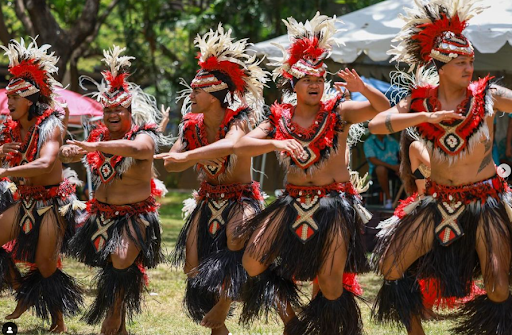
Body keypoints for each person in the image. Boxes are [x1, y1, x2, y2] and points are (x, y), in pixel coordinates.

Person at [233, 12, 389, 334]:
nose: (315, 84)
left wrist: (362, 88)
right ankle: (293, 323)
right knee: (253, 261)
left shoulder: (339, 112)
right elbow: (242, 146)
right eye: (307, 79)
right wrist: (278, 141)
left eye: (319, 79)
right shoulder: (280, 118)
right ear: (294, 83)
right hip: (291, 202)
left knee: (331, 285)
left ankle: (332, 328)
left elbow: (381, 108)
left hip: (333, 202)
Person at [369, 1, 512, 334]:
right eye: (460, 62)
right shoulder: (420, 102)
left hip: (485, 202)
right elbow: (377, 123)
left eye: (470, 61)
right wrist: (424, 118)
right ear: (441, 66)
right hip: (437, 202)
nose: (468, 68)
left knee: (498, 288)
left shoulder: (487, 95)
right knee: (391, 265)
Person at [154, 25, 268, 335]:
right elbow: (174, 162)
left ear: (215, 95)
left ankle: (226, 304)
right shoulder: (191, 124)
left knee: (235, 239)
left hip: (242, 198)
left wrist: (191, 157)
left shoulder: (240, 118)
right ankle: (220, 329)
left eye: (195, 91)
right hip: (207, 199)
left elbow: (231, 145)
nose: (189, 96)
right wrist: (178, 156)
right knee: (193, 268)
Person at [60, 46, 168, 335]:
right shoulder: (97, 137)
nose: (112, 114)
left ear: (130, 111)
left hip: (134, 216)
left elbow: (139, 149)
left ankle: (115, 314)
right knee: (113, 267)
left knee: (121, 260)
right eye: (107, 109)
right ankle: (119, 327)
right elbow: (71, 153)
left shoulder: (144, 135)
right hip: (101, 216)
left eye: (119, 108)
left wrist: (97, 146)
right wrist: (67, 149)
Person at [0, 38, 83, 333]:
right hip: (24, 201)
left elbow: (46, 163)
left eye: (14, 99)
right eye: (7, 98)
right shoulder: (8, 128)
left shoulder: (52, 125)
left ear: (31, 100)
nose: (8, 104)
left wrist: (5, 170)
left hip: (51, 202)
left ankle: (58, 321)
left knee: (45, 263)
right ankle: (22, 288)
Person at [363, 133, 400, 208]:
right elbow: (373, 160)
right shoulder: (369, 142)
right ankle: (389, 199)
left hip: (396, 168)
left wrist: (401, 166)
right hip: (378, 169)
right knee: (381, 169)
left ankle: (408, 197)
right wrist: (392, 167)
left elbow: (400, 155)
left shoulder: (393, 141)